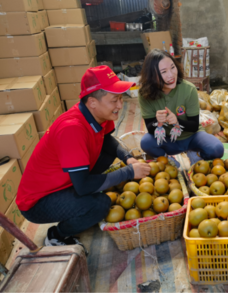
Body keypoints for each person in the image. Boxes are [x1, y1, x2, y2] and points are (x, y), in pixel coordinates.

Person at [16, 66, 151, 254]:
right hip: (38, 201)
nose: (120, 105)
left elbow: (107, 141)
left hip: (65, 181)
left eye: (120, 98)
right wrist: (128, 173)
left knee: (108, 155)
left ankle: (77, 206)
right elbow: (83, 186)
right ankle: (56, 235)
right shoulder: (72, 129)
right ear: (92, 102)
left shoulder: (96, 114)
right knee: (100, 205)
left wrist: (128, 158)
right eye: (114, 100)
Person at [138, 49, 224, 166]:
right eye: (163, 72)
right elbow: (150, 129)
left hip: (192, 137)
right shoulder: (145, 94)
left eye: (173, 67)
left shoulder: (189, 89)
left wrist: (177, 122)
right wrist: (157, 122)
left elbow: (194, 126)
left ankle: (196, 154)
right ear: (152, 76)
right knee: (146, 142)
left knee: (217, 148)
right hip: (169, 140)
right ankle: (167, 161)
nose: (171, 74)